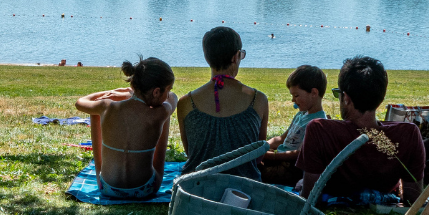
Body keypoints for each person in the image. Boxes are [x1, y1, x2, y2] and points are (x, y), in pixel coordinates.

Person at [297, 56, 425, 215]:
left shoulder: (319, 130)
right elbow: (413, 199)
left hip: (335, 196)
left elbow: (309, 197)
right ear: (381, 96)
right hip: (384, 195)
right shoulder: (408, 134)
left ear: (345, 98)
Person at [75, 57, 178, 200]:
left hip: (107, 187)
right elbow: (173, 98)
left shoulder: (107, 107)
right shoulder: (161, 112)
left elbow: (80, 103)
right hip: (146, 189)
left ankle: (101, 171)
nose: (168, 94)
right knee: (164, 118)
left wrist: (113, 93)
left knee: (95, 112)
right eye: (167, 90)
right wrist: (128, 93)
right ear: (155, 92)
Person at [176, 27, 269, 179]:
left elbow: (191, 153)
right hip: (243, 190)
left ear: (207, 58)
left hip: (196, 188)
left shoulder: (186, 103)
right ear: (235, 57)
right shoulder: (258, 99)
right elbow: (258, 155)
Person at [259, 65, 328, 186]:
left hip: (291, 168)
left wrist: (272, 156)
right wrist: (263, 146)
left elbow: (300, 153)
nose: (292, 100)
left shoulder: (318, 122)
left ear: (314, 93)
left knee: (254, 171)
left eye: (296, 96)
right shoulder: (301, 115)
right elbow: (281, 139)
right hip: (280, 160)